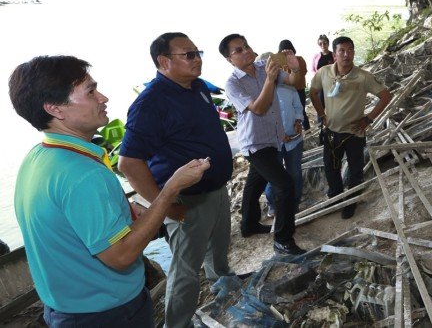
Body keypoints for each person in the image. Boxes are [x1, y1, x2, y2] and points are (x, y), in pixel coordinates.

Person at [10, 55, 209, 327]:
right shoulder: (82, 173)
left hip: (65, 308)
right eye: (90, 92)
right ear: (55, 109)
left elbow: (69, 224)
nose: (102, 98)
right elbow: (121, 257)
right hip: (107, 314)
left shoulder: (40, 156)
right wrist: (170, 189)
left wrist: (125, 213)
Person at [118, 33, 234, 328]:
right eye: (189, 55)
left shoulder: (196, 87)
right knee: (185, 272)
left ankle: (225, 298)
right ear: (164, 61)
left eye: (198, 53)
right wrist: (167, 207)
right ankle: (177, 324)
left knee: (218, 254)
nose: (198, 59)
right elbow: (129, 163)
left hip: (216, 192)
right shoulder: (151, 104)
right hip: (186, 202)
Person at [219, 33, 307, 255]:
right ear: (229, 59)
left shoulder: (262, 66)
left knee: (255, 182)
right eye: (238, 50)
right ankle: (283, 239)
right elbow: (258, 108)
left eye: (246, 46)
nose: (246, 50)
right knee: (285, 185)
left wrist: (296, 68)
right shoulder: (232, 83)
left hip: (273, 137)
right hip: (255, 143)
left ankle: (248, 224)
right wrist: (269, 79)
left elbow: (296, 83)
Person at [309, 36, 392, 219]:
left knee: (355, 170)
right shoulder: (324, 73)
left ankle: (351, 201)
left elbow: (386, 96)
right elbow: (313, 92)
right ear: (335, 54)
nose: (347, 55)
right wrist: (321, 114)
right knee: (331, 167)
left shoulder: (363, 76)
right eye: (342, 51)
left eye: (350, 50)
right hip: (332, 132)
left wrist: (368, 119)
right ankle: (337, 196)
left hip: (354, 133)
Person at [264, 80, 305, 217]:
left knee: (295, 173)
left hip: (294, 139)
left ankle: (294, 203)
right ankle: (273, 204)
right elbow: (259, 118)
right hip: (271, 143)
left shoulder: (289, 87)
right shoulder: (260, 91)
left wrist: (299, 121)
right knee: (273, 175)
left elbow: (298, 107)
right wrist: (279, 134)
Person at [278, 39, 310, 130]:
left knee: (300, 111)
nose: (286, 53)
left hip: (296, 90)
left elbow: (303, 72)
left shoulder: (299, 59)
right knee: (296, 112)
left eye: (288, 50)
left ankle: (306, 131)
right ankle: (301, 130)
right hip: (293, 91)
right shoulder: (281, 63)